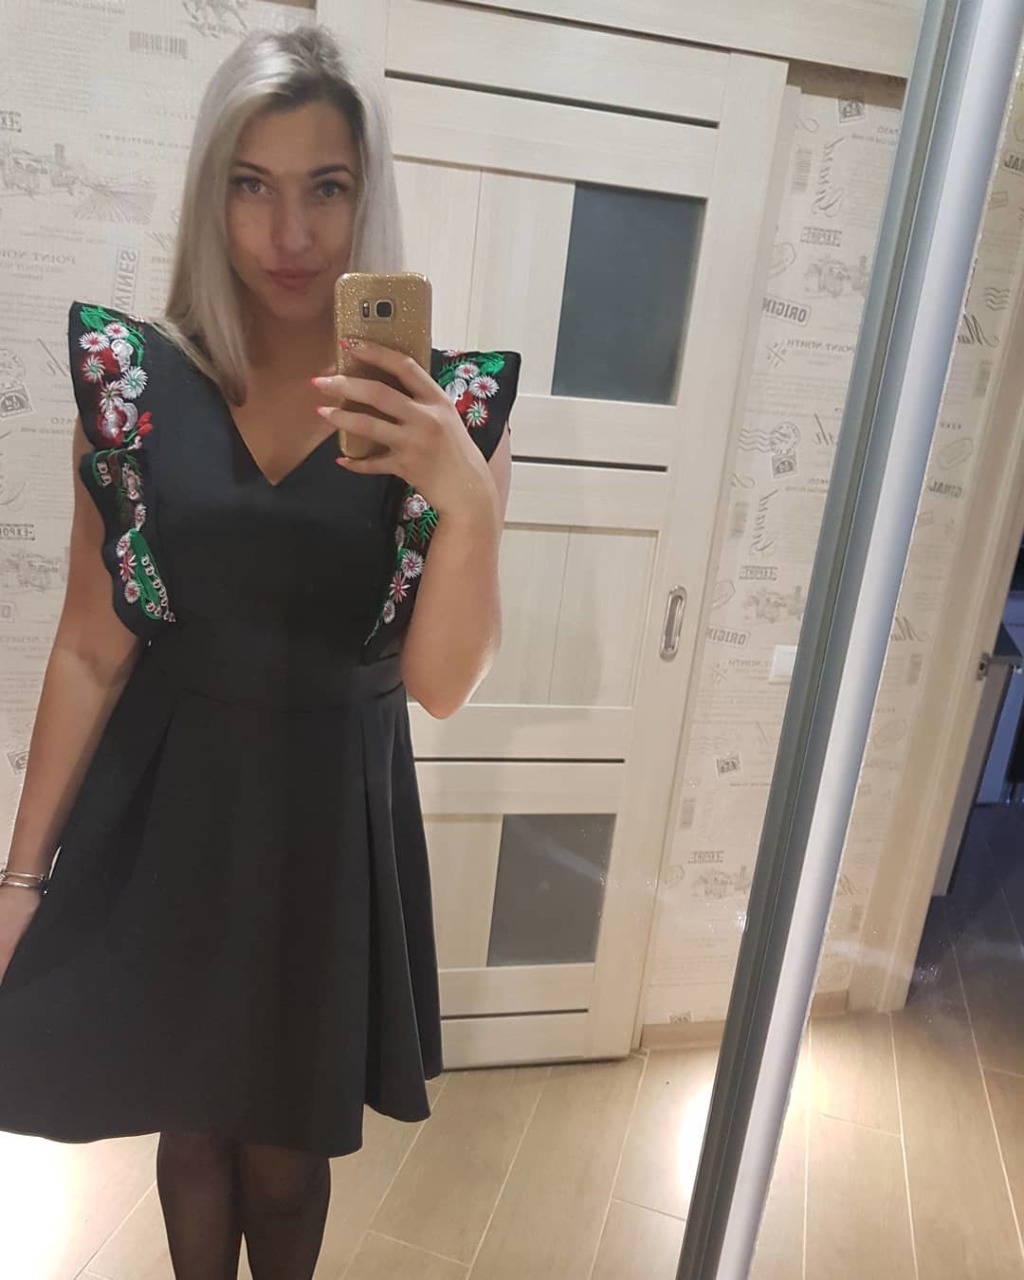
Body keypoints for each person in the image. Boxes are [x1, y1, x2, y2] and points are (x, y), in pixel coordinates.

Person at [0, 25, 520, 1280]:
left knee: (284, 1151)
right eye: (252, 185)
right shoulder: (133, 383)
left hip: (325, 817)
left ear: (366, 193)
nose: (290, 233)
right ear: (209, 192)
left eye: (325, 187)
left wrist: (466, 495)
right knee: (189, 1123)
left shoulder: (446, 411)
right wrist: (18, 880)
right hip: (169, 801)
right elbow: (89, 644)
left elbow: (442, 683)